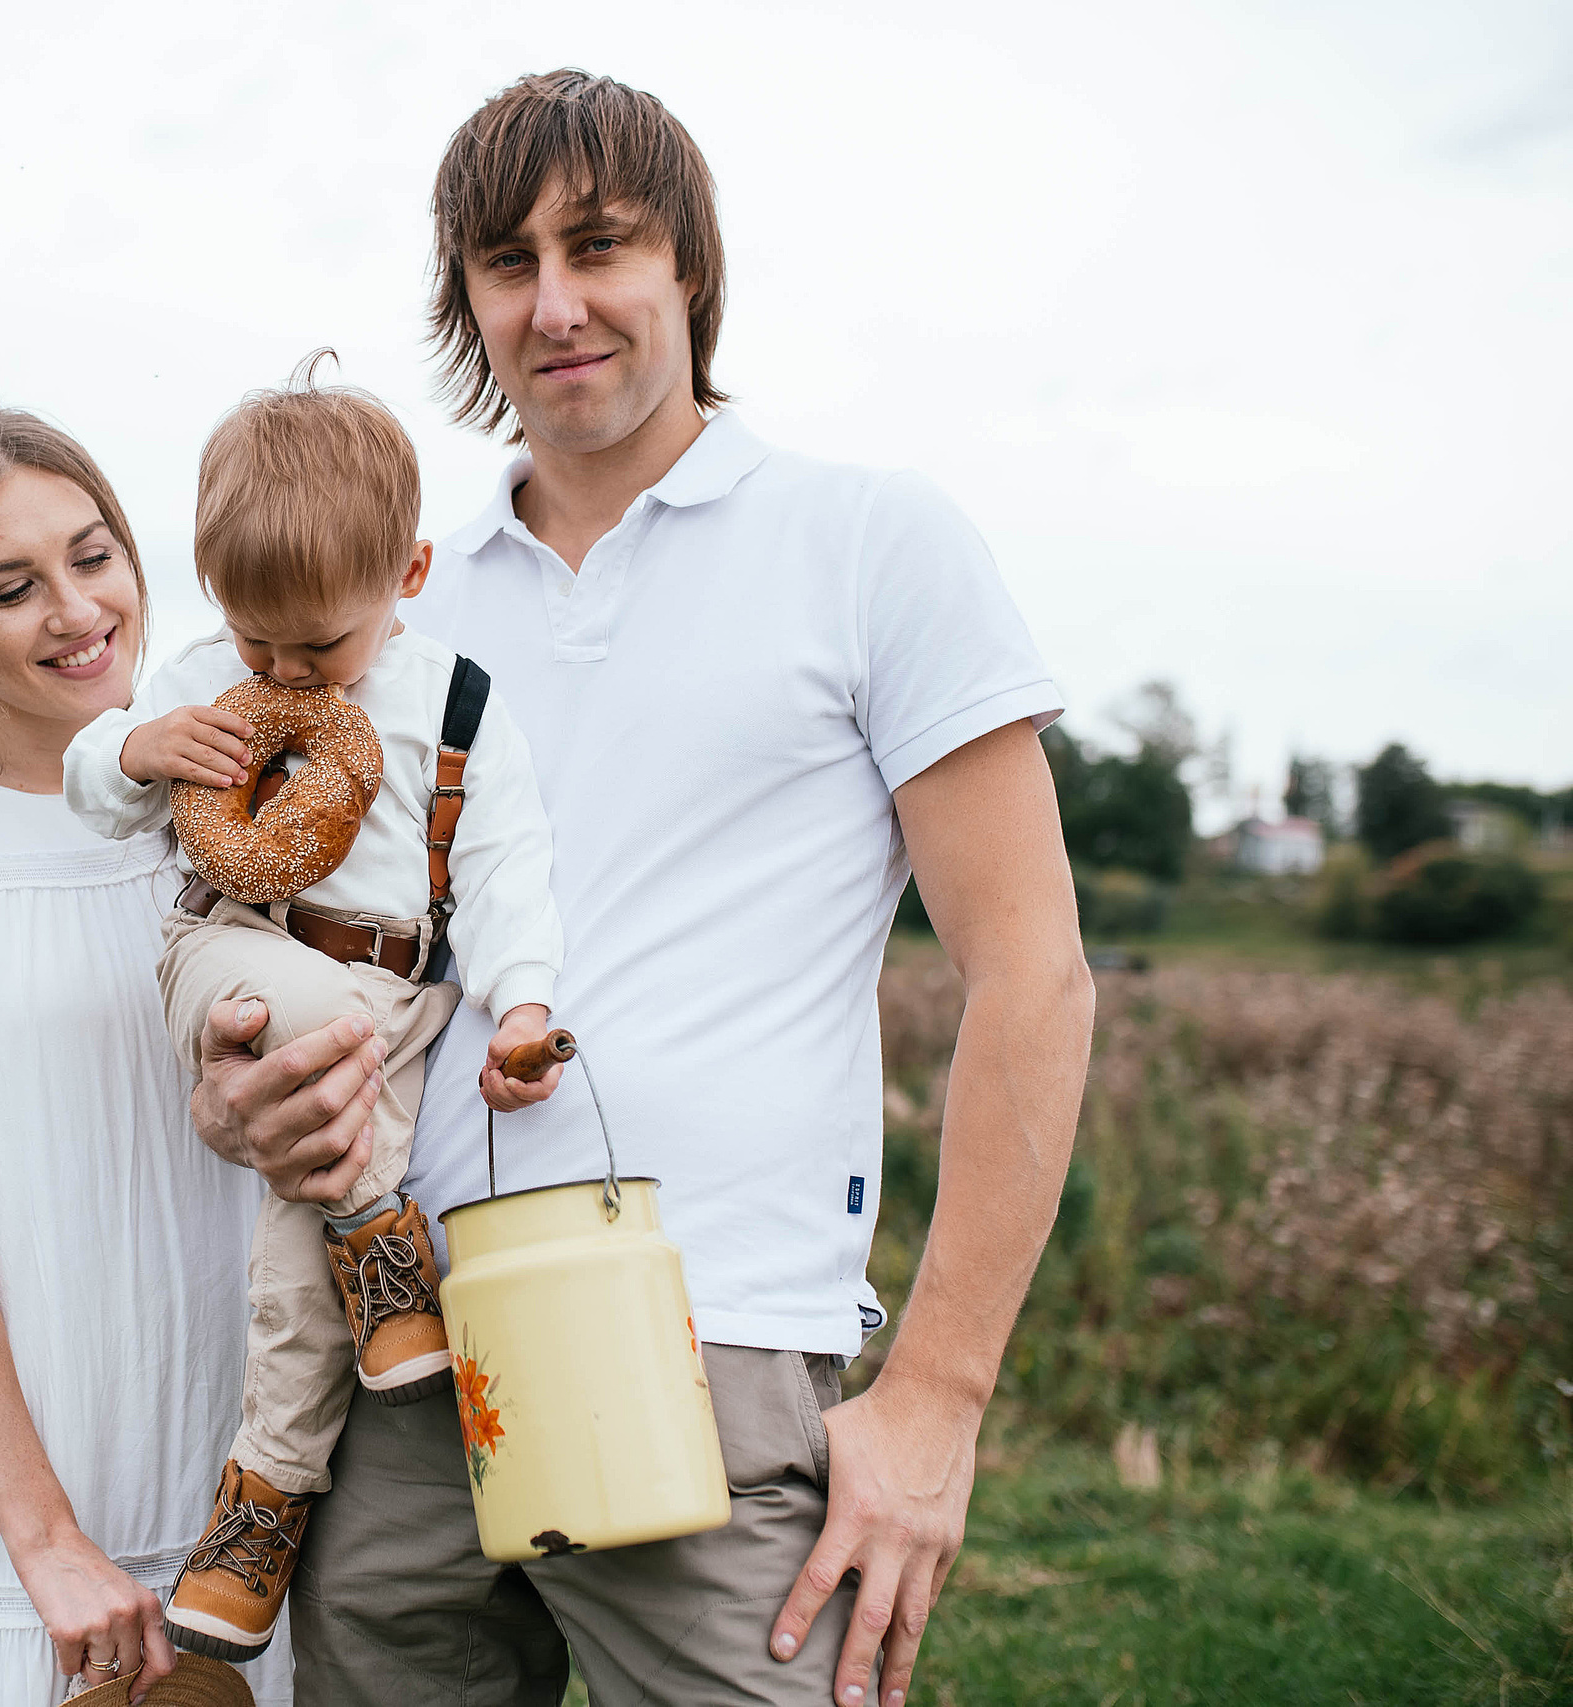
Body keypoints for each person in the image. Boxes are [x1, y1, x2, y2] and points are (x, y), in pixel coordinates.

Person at [184, 70, 1096, 1707]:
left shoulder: (871, 542)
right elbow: (296, 935)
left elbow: (1036, 979)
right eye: (507, 263)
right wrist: (247, 1079)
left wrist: (940, 1398)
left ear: (691, 268)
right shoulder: (397, 600)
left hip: (713, 1343)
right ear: (462, 297)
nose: (558, 303)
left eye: (601, 245)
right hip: (406, 1365)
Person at [63, 366, 565, 1665]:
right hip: (233, 956)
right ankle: (386, 1243)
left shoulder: (456, 705)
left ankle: (261, 1508)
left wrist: (523, 1009)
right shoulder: (192, 682)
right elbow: (89, 781)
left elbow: (510, 878)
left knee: (297, 1259)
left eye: (316, 650)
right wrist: (139, 751)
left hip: (406, 1000)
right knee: (318, 1028)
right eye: (255, 647)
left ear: (408, 574)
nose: (282, 674)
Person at [0, 403, 290, 1706]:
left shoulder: (233, 810)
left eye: (94, 556)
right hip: (7, 1516)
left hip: (236, 1495)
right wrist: (46, 1538)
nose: (79, 610)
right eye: (12, 588)